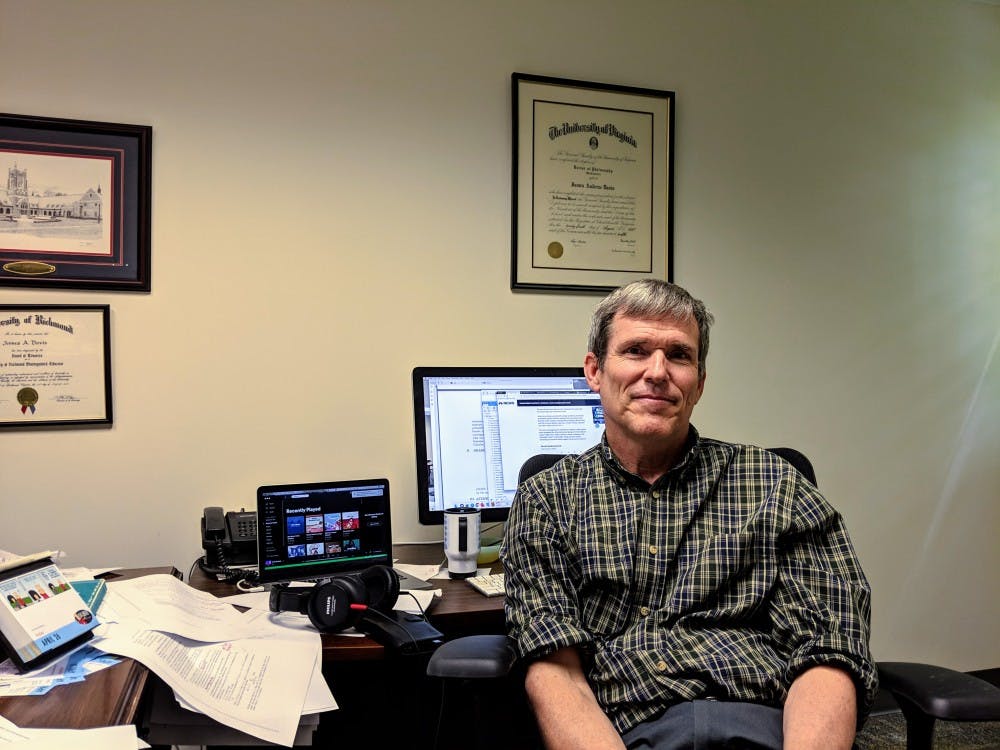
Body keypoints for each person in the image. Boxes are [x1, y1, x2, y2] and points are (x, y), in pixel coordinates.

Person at [501, 279, 876, 750]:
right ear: (595, 371)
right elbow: (556, 671)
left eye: (679, 355)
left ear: (698, 383)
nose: (658, 372)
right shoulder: (547, 502)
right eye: (636, 350)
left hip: (771, 727)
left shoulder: (776, 485)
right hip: (626, 732)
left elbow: (829, 649)